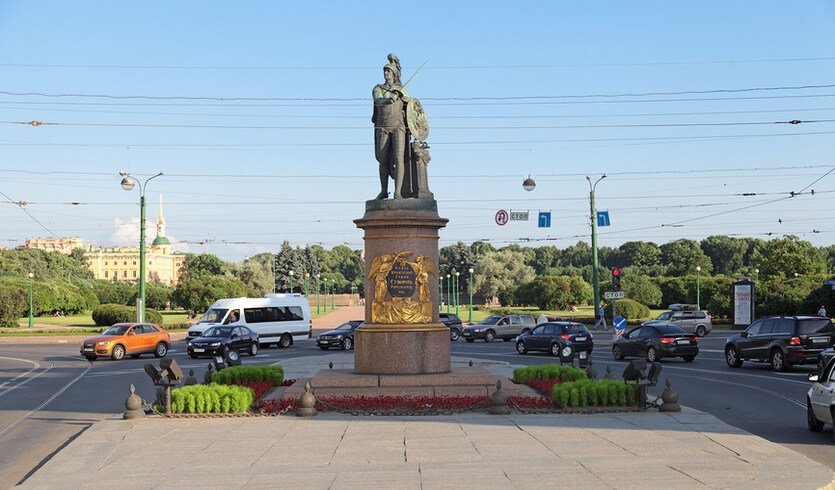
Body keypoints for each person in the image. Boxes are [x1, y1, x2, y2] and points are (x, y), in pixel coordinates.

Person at [372, 53, 410, 200]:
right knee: (383, 160)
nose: (386, 73)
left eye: (388, 71)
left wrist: (398, 92)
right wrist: (390, 98)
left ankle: (398, 192)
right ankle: (383, 191)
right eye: (385, 71)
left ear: (394, 73)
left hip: (398, 125)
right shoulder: (378, 88)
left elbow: (409, 100)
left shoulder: (401, 89)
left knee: (399, 158)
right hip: (383, 126)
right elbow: (378, 99)